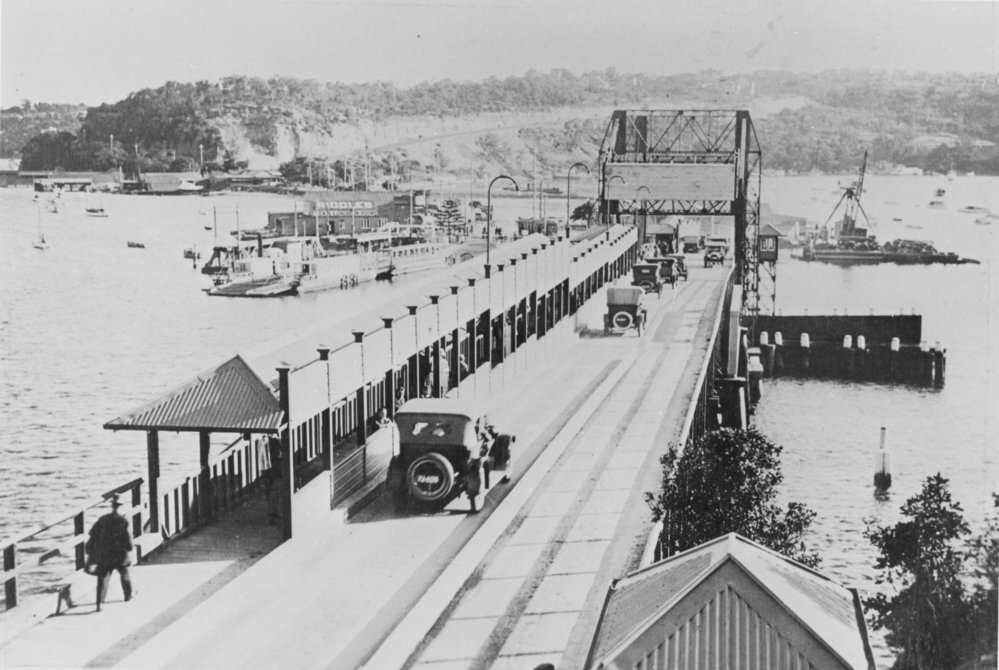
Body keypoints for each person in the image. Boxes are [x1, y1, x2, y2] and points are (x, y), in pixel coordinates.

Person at [85, 495, 134, 612]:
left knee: (103, 579)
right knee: (124, 573)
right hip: (119, 555)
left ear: (112, 506)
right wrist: (128, 548)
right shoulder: (123, 521)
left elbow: (92, 534)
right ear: (121, 507)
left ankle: (99, 603)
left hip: (105, 554)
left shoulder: (103, 519)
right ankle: (128, 595)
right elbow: (128, 544)